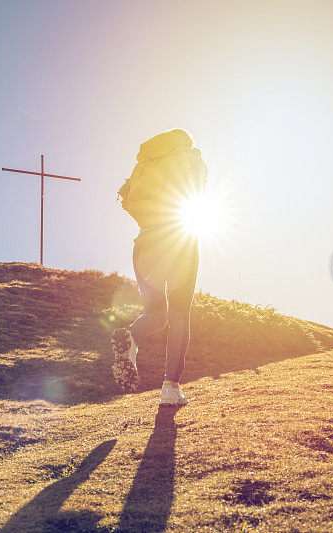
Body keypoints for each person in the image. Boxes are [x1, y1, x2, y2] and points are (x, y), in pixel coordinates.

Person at [111, 129, 207, 406]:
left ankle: (131, 336)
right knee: (179, 313)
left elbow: (127, 199)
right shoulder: (191, 158)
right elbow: (199, 195)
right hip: (179, 239)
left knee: (156, 313)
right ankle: (171, 387)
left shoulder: (144, 165)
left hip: (144, 241)